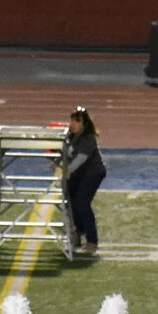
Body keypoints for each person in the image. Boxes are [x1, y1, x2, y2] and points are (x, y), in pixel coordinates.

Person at [60, 107, 106, 255]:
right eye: (72, 120)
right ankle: (77, 233)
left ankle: (92, 240)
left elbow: (81, 158)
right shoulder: (71, 135)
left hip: (93, 173)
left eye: (77, 121)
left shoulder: (88, 138)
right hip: (78, 174)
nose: (73, 124)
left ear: (84, 123)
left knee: (82, 203)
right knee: (71, 203)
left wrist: (67, 170)